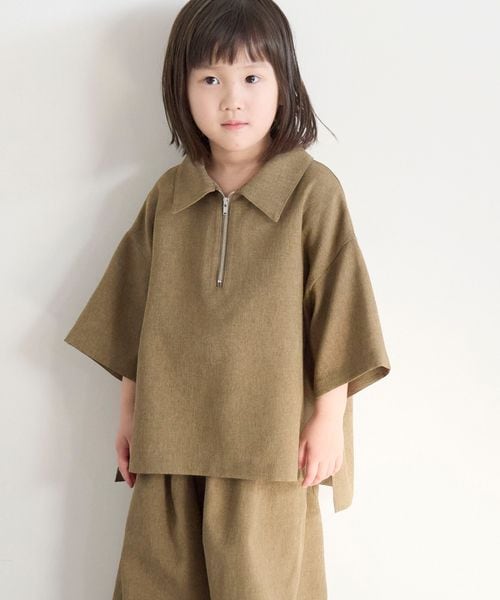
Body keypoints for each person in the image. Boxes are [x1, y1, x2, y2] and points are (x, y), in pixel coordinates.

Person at [64, 1, 391, 598]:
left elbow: (339, 312)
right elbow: (133, 312)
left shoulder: (311, 192)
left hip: (267, 449)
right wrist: (129, 414)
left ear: (284, 83)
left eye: (252, 77)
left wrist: (328, 419)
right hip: (171, 446)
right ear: (181, 88)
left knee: (262, 585)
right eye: (210, 79)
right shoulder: (170, 195)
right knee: (156, 584)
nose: (232, 99)